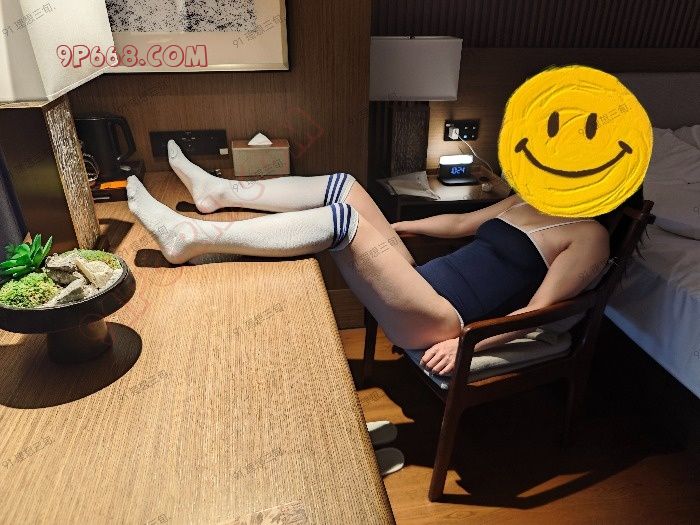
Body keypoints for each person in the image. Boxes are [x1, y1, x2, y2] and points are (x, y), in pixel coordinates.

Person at [127, 141, 609, 377]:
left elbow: (538, 313)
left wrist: (467, 343)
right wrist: (398, 229)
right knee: (346, 187)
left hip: (443, 319)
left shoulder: (589, 237)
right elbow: (462, 224)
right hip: (419, 282)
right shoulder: (529, 200)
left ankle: (192, 237)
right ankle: (218, 191)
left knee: (341, 221)